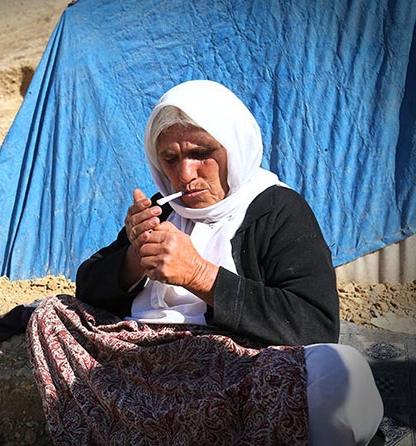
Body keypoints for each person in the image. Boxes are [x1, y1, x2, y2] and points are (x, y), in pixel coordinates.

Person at [26, 80, 383, 445]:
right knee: (51, 314)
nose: (185, 175)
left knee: (338, 372)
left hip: (229, 369)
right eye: (170, 159)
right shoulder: (162, 208)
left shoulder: (278, 210)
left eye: (201, 153)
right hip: (140, 361)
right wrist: (135, 256)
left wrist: (200, 275)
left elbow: (316, 326)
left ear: (234, 147)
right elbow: (88, 289)